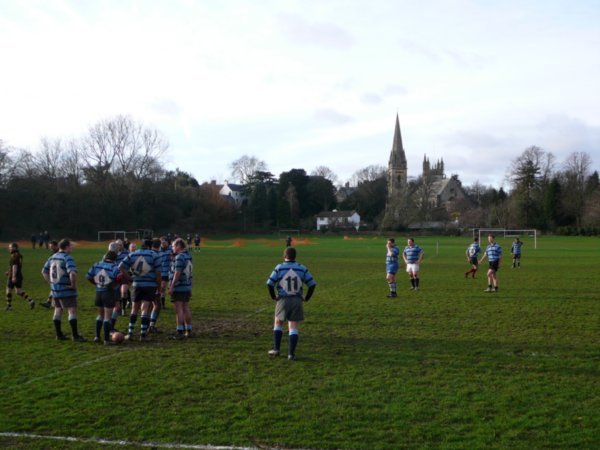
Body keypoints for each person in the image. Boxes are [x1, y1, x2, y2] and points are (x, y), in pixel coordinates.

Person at [266, 246, 316, 360]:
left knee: (278, 323)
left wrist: (274, 296)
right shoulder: (302, 268)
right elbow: (312, 284)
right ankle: (291, 354)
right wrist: (306, 298)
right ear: (295, 257)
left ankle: (276, 350)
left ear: (284, 256)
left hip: (283, 300)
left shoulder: (279, 267)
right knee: (293, 326)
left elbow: (269, 283)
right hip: (297, 300)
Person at [41, 239, 86, 341]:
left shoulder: (52, 257)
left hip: (55, 290)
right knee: (72, 311)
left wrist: (51, 283)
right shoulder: (68, 258)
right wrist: (73, 285)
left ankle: (59, 334)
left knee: (58, 310)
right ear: (66, 247)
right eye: (71, 246)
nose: (72, 247)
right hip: (66, 289)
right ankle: (75, 336)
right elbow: (73, 273)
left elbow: (44, 271)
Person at [119, 238, 162, 341]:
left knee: (134, 308)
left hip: (136, 284)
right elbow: (158, 273)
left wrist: (129, 278)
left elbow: (121, 266)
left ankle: (130, 333)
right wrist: (158, 286)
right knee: (145, 308)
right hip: (150, 285)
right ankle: (143, 335)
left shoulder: (133, 254)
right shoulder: (154, 255)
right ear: (150, 246)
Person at [86, 251, 121, 345]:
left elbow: (88, 276)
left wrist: (95, 283)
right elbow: (119, 277)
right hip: (108, 293)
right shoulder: (114, 267)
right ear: (114, 259)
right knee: (107, 317)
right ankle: (106, 340)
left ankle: (97, 336)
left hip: (98, 293)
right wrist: (114, 284)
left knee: (100, 315)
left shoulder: (97, 264)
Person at [168, 238, 193, 339]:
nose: (172, 248)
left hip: (179, 287)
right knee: (186, 308)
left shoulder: (179, 257)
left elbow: (177, 273)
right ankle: (189, 330)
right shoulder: (188, 256)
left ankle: (180, 332)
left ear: (178, 246)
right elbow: (191, 274)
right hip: (186, 286)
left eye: (173, 246)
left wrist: (172, 286)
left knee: (179, 310)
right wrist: (190, 287)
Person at [5, 243, 35, 310]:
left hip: (14, 276)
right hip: (19, 275)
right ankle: (30, 301)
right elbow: (16, 266)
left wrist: (13, 276)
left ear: (15, 248)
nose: (9, 248)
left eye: (11, 247)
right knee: (18, 291)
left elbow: (15, 266)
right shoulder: (19, 255)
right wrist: (9, 272)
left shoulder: (14, 255)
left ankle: (9, 306)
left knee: (8, 290)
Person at [40, 240, 60, 309]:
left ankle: (51, 302)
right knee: (54, 287)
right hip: (55, 274)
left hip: (59, 274)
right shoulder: (52, 254)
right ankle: (50, 302)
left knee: (56, 287)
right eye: (50, 247)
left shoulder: (61, 253)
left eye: (52, 247)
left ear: (57, 246)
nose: (51, 248)